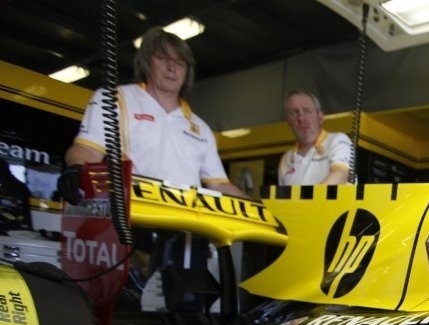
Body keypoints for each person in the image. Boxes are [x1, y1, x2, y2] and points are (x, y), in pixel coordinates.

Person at [58, 27, 247, 202]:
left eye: (180, 63)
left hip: (186, 222)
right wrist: (76, 168)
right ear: (146, 62)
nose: (171, 68)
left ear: (187, 72)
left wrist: (257, 208)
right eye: (162, 58)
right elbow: (88, 150)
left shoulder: (201, 128)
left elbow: (219, 185)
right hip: (131, 215)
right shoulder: (114, 99)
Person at [277, 90, 353, 186]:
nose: (301, 118)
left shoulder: (338, 141)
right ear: (288, 122)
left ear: (320, 117)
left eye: (307, 111)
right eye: (294, 113)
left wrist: (310, 196)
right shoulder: (286, 159)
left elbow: (341, 174)